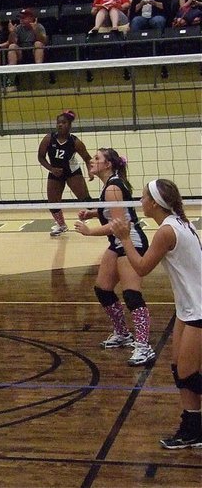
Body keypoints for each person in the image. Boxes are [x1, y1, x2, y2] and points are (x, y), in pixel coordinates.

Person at [109, 179, 201, 449]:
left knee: (189, 374)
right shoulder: (179, 223)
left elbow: (141, 268)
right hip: (188, 308)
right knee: (179, 370)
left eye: (143, 198)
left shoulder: (167, 231)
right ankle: (193, 429)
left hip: (198, 308)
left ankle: (194, 429)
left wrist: (125, 238)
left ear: (154, 203)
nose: (140, 202)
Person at [73, 148, 155, 367]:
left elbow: (118, 225)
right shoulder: (110, 185)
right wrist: (93, 214)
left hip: (131, 242)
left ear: (108, 164)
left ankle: (144, 347)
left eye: (97, 158)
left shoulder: (112, 188)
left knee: (132, 295)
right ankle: (123, 333)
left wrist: (90, 231)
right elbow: (113, 213)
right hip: (117, 243)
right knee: (103, 289)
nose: (92, 160)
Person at [37, 110, 93, 237]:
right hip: (55, 172)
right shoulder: (48, 138)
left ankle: (102, 219)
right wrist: (51, 169)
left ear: (69, 125)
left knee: (85, 199)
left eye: (63, 122)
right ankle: (61, 225)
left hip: (72, 172)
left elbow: (87, 158)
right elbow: (41, 157)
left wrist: (91, 171)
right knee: (52, 202)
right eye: (58, 123)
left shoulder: (75, 142)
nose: (60, 125)